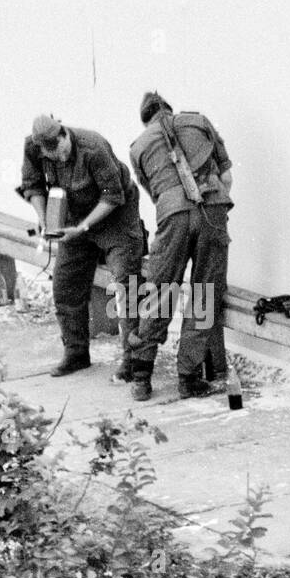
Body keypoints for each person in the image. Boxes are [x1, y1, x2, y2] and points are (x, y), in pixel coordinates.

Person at [16, 114, 146, 379]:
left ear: (64, 134)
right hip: (74, 219)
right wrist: (44, 219)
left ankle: (132, 361)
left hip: (116, 218)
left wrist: (84, 227)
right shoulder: (32, 148)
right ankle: (76, 354)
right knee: (65, 286)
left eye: (61, 150)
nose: (60, 158)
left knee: (126, 285)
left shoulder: (93, 147)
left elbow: (113, 195)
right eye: (51, 155)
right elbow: (33, 185)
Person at [127, 92, 233, 401]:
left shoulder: (139, 147)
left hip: (172, 215)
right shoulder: (199, 121)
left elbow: (155, 195)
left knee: (160, 290)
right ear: (170, 109)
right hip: (212, 209)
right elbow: (225, 176)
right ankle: (188, 378)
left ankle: (141, 378)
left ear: (145, 119)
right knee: (204, 292)